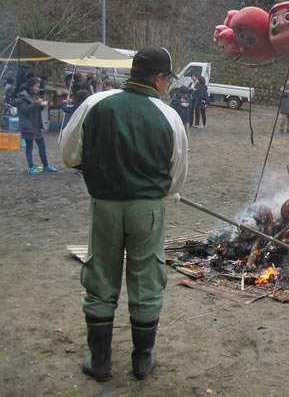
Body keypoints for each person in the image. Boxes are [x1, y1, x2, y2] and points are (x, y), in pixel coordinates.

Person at [60, 45, 188, 382]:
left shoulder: (95, 103)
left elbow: (69, 154)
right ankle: (142, 360)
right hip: (147, 209)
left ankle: (100, 361)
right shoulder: (168, 115)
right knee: (146, 278)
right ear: (159, 78)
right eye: (167, 80)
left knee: (101, 277)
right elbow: (177, 174)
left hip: (104, 204)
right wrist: (165, 194)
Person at [16, 78, 56, 173]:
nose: (38, 89)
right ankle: (31, 167)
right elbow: (24, 110)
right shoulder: (22, 96)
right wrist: (35, 103)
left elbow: (37, 109)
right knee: (29, 146)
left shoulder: (35, 95)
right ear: (30, 86)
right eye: (37, 86)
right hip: (27, 125)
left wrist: (42, 105)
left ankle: (46, 165)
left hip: (36, 124)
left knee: (42, 145)